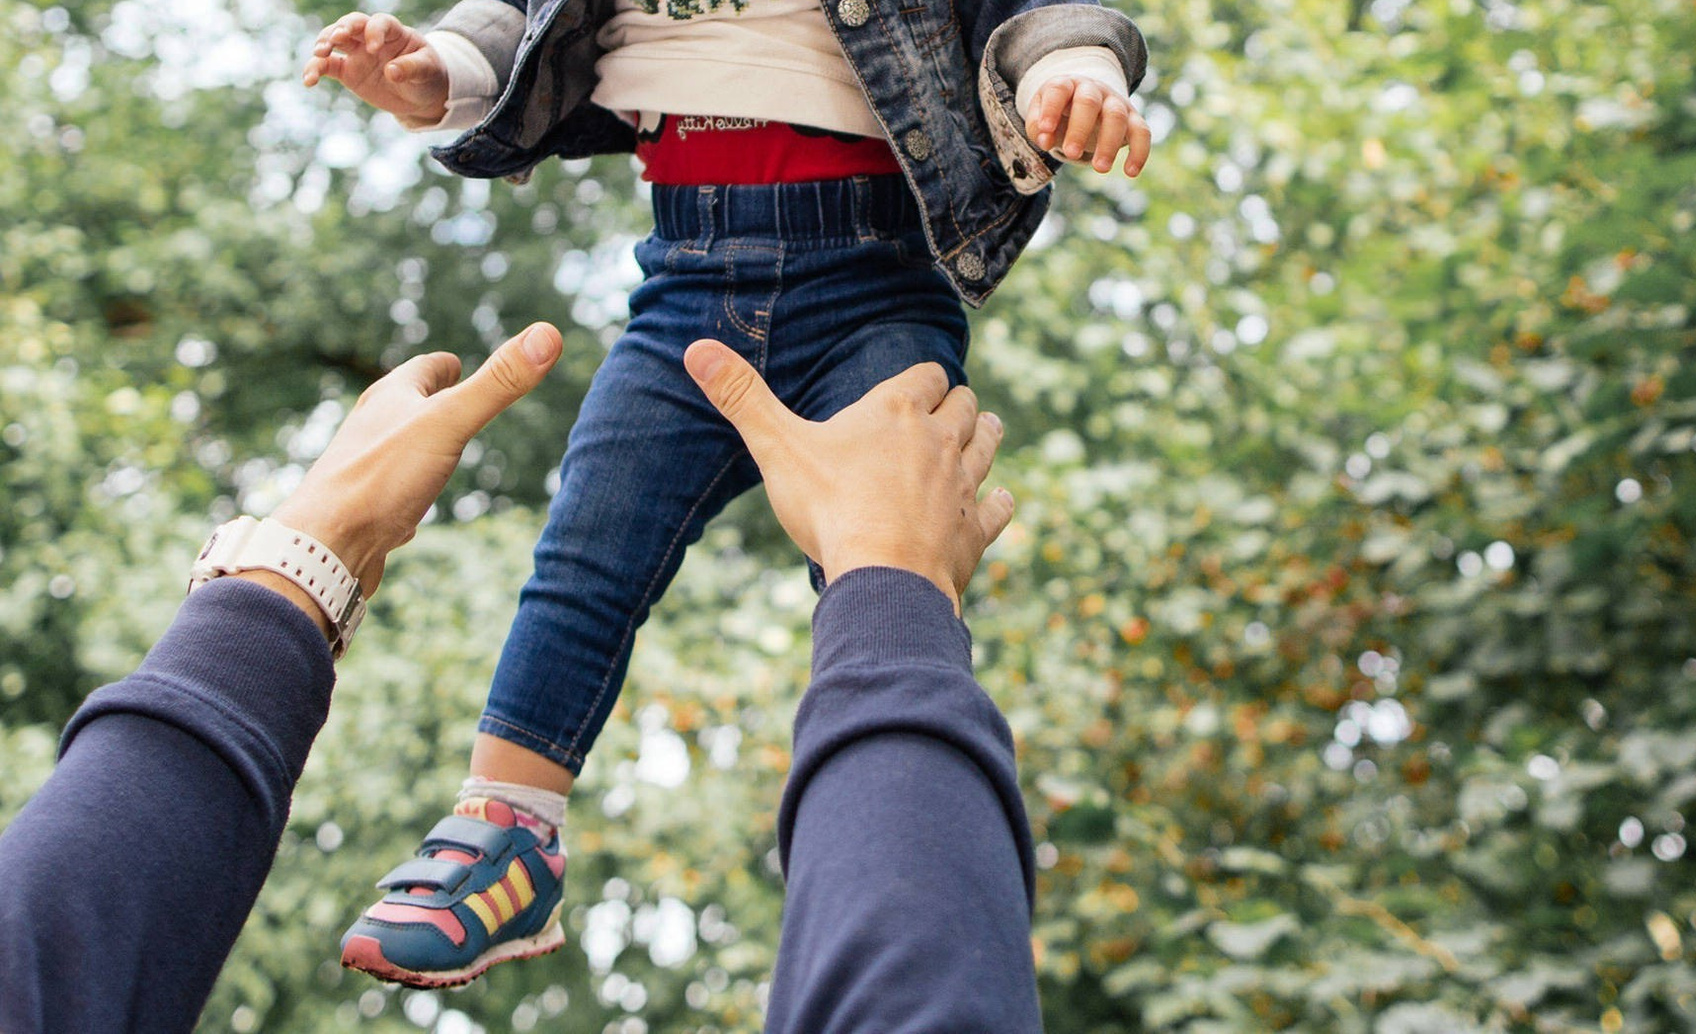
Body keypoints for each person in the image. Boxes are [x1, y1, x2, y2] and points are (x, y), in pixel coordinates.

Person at [298, 0, 1149, 986]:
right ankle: (505, 831)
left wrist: (1071, 79)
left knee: (886, 561)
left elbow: (1049, 2)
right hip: (686, 286)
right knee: (588, 544)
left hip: (878, 279)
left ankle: (913, 847)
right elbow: (517, 14)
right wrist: (428, 71)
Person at [0, 326, 1040, 1034]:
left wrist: (308, 550)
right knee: (593, 547)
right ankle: (513, 828)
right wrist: (895, 588)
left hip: (848, 278)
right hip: (708, 282)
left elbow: (49, 960)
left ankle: (505, 818)